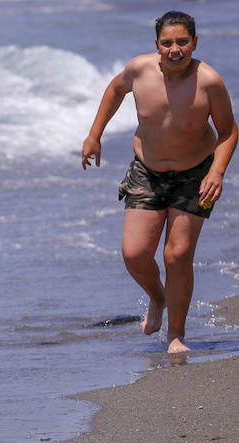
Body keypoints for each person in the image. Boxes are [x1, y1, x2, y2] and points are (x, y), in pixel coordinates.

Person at [81, 10, 237, 354]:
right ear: (157, 45)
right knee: (135, 253)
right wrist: (94, 136)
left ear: (195, 42)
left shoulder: (209, 81)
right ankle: (158, 297)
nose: (175, 49)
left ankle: (176, 336)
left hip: (197, 174)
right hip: (147, 172)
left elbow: (228, 132)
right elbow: (114, 90)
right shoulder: (139, 70)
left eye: (183, 41)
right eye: (167, 43)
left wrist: (217, 172)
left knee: (177, 255)